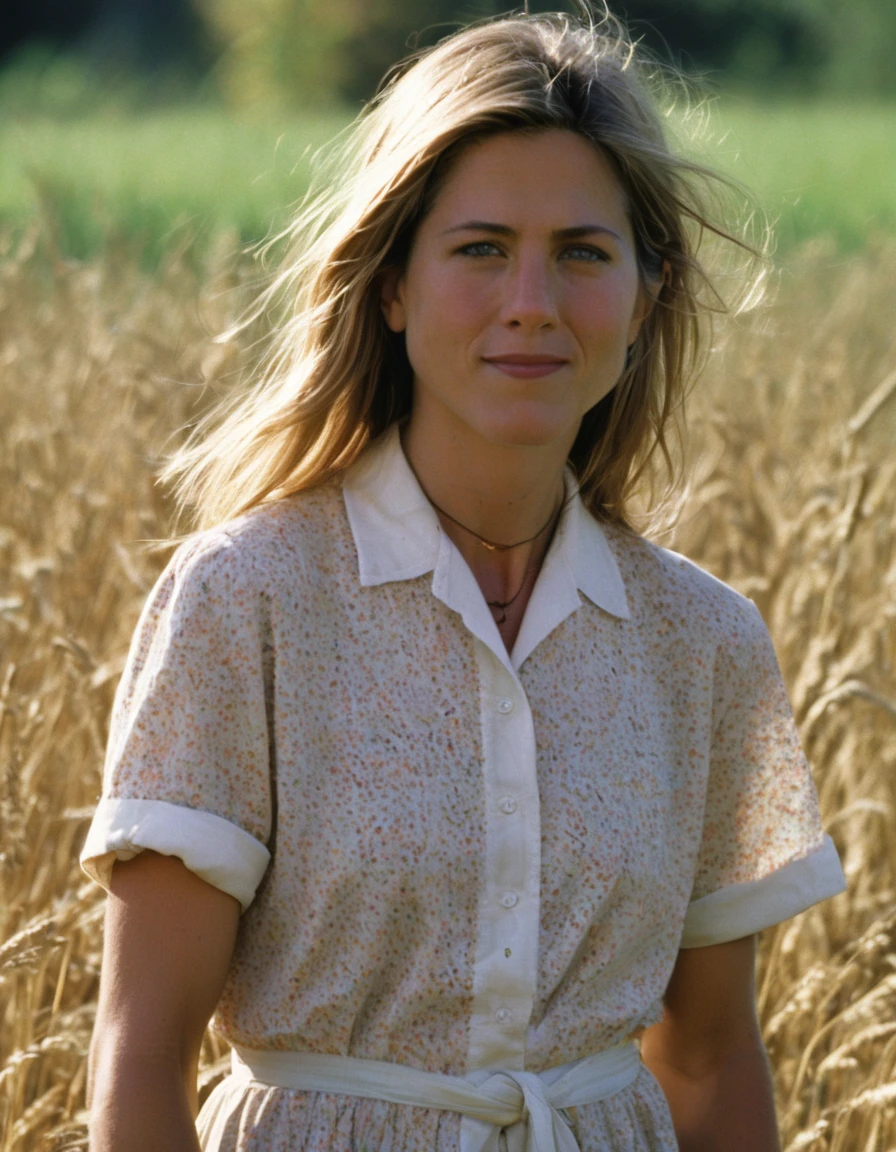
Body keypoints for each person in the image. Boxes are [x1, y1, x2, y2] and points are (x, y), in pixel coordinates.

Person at [82, 9, 846, 1151]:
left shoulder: (704, 641)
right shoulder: (245, 600)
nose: (529, 300)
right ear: (390, 284)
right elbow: (138, 1059)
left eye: (582, 253)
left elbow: (709, 1054)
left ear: (646, 296)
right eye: (480, 247)